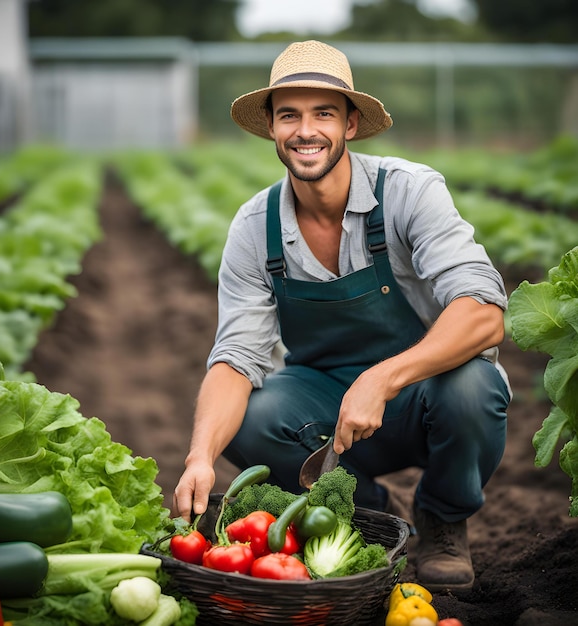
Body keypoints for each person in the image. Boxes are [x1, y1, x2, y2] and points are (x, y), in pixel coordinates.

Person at [172, 40, 511, 592]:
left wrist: (383, 377)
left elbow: (483, 314)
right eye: (290, 116)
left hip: (425, 392)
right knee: (249, 419)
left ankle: (443, 518)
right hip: (325, 402)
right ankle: (371, 512)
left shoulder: (408, 191)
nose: (306, 131)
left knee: (475, 385)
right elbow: (236, 357)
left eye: (323, 113)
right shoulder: (254, 227)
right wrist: (200, 457)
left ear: (351, 124)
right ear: (273, 129)